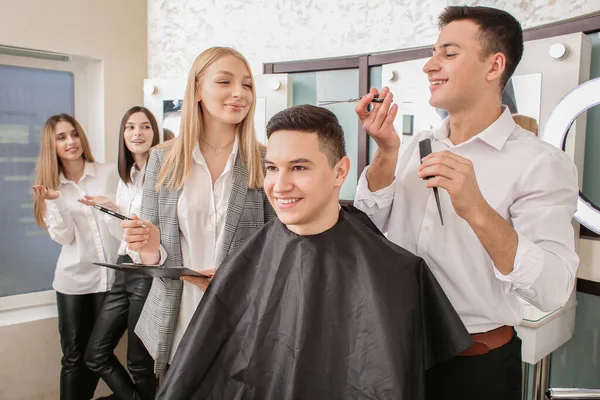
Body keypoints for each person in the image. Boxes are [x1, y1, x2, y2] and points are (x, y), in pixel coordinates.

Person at [156, 104, 472, 400]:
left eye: (298, 168)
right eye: (272, 168)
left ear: (339, 172)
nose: (279, 186)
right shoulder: (246, 262)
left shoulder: (397, 275)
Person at [354, 6, 579, 400]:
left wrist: (477, 209)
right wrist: (387, 152)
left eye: (448, 53)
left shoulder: (542, 163)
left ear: (494, 66)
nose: (429, 66)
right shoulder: (416, 146)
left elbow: (552, 290)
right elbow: (369, 225)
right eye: (433, 52)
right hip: (394, 352)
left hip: (474, 368)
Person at [119, 47, 276, 376]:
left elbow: (279, 246)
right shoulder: (162, 160)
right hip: (177, 318)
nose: (239, 92)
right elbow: (150, 255)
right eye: (224, 81)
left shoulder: (265, 161)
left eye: (247, 85)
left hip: (243, 317)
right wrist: (147, 247)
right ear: (197, 90)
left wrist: (237, 278)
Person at [32, 114, 120, 400]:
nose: (71, 142)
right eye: (61, 137)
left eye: (74, 134)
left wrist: (111, 206)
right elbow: (64, 238)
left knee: (97, 356)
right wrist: (55, 203)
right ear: (52, 145)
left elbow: (124, 220)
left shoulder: (109, 173)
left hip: (110, 280)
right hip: (73, 282)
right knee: (73, 357)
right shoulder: (49, 187)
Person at [78, 106, 160, 399]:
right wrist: (112, 210)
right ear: (122, 135)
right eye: (130, 127)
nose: (137, 133)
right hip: (123, 267)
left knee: (140, 364)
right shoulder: (127, 176)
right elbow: (122, 235)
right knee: (95, 354)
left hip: (148, 272)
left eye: (145, 126)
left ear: (155, 133)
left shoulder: (162, 172)